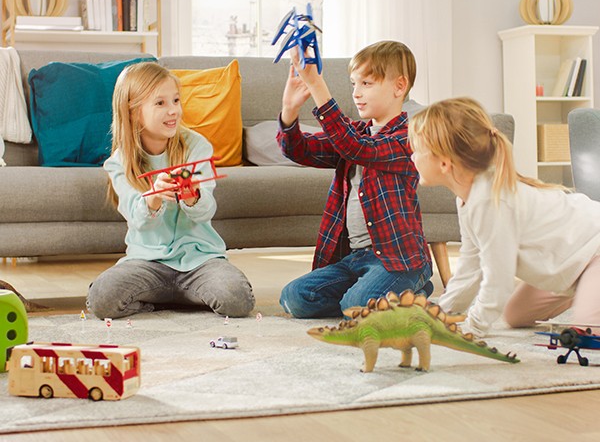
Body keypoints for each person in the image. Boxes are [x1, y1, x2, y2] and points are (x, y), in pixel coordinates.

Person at [408, 97, 600, 337]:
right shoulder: (467, 198)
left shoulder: (491, 201)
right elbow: (471, 267)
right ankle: (588, 292)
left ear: (445, 163)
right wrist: (438, 314)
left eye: (416, 151)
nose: (412, 157)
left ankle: (592, 295)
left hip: (594, 249)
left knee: (588, 332)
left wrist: (474, 328)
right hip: (570, 263)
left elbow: (498, 279)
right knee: (515, 315)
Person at [277, 41, 433, 318]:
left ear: (399, 87)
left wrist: (316, 85)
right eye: (354, 84)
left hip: (397, 259)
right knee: (294, 298)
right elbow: (298, 150)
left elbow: (356, 148)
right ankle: (388, 295)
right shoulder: (356, 133)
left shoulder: (407, 138)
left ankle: (410, 288)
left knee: (356, 306)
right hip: (355, 258)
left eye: (367, 84)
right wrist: (289, 110)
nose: (357, 93)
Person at [87, 62, 255, 319]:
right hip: (146, 263)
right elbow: (136, 219)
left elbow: (205, 211)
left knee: (237, 299)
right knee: (101, 299)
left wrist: (193, 198)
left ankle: (184, 295)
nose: (173, 111)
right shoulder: (119, 162)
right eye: (160, 103)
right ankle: (180, 300)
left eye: (175, 100)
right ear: (132, 111)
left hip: (200, 261)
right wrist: (152, 200)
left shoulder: (196, 146)